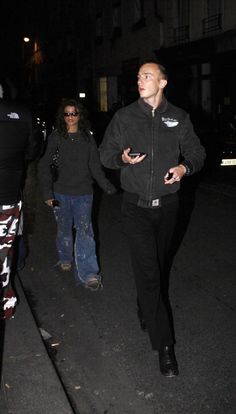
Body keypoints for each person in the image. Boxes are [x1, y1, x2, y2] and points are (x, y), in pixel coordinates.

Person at [99, 61, 206, 377]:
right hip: (134, 208)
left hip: (168, 207)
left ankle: (145, 304)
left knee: (157, 268)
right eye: (138, 77)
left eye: (147, 76)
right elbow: (106, 154)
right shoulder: (124, 117)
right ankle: (165, 347)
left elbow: (197, 153)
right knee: (148, 273)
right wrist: (122, 158)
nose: (140, 81)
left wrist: (184, 168)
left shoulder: (179, 118)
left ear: (163, 82)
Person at [38, 98, 116, 291]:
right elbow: (44, 165)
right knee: (64, 228)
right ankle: (65, 256)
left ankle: (89, 274)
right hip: (60, 193)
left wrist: (107, 185)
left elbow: (95, 167)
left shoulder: (88, 138)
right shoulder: (56, 137)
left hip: (84, 193)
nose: (71, 117)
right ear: (62, 116)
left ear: (80, 116)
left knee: (85, 231)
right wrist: (48, 193)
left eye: (74, 113)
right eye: (67, 113)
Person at [0, 79, 39, 319]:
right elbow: (32, 151)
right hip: (8, 196)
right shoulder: (22, 114)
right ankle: (5, 304)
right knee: (4, 251)